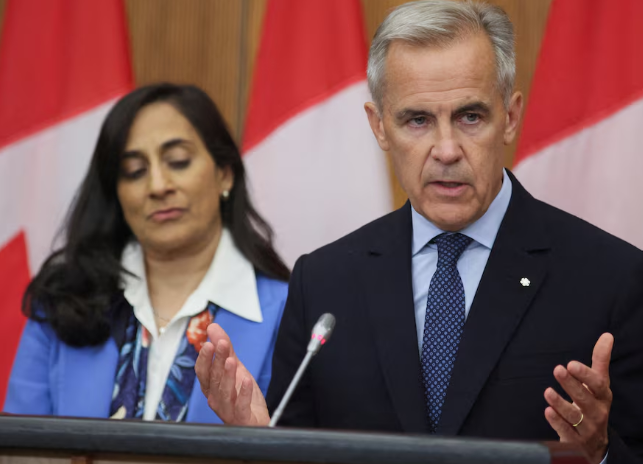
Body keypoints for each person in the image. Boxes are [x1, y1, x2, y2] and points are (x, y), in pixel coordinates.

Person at [196, 1, 643, 463]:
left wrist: (601, 452)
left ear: (510, 118)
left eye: (470, 117)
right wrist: (259, 442)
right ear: (379, 126)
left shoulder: (610, 279)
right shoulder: (323, 284)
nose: (446, 150)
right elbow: (301, 451)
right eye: (418, 120)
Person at [4, 83, 290, 423]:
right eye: (135, 171)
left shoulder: (289, 313)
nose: (157, 186)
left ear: (224, 174)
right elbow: (20, 445)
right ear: (116, 192)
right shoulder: (63, 301)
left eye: (178, 162)